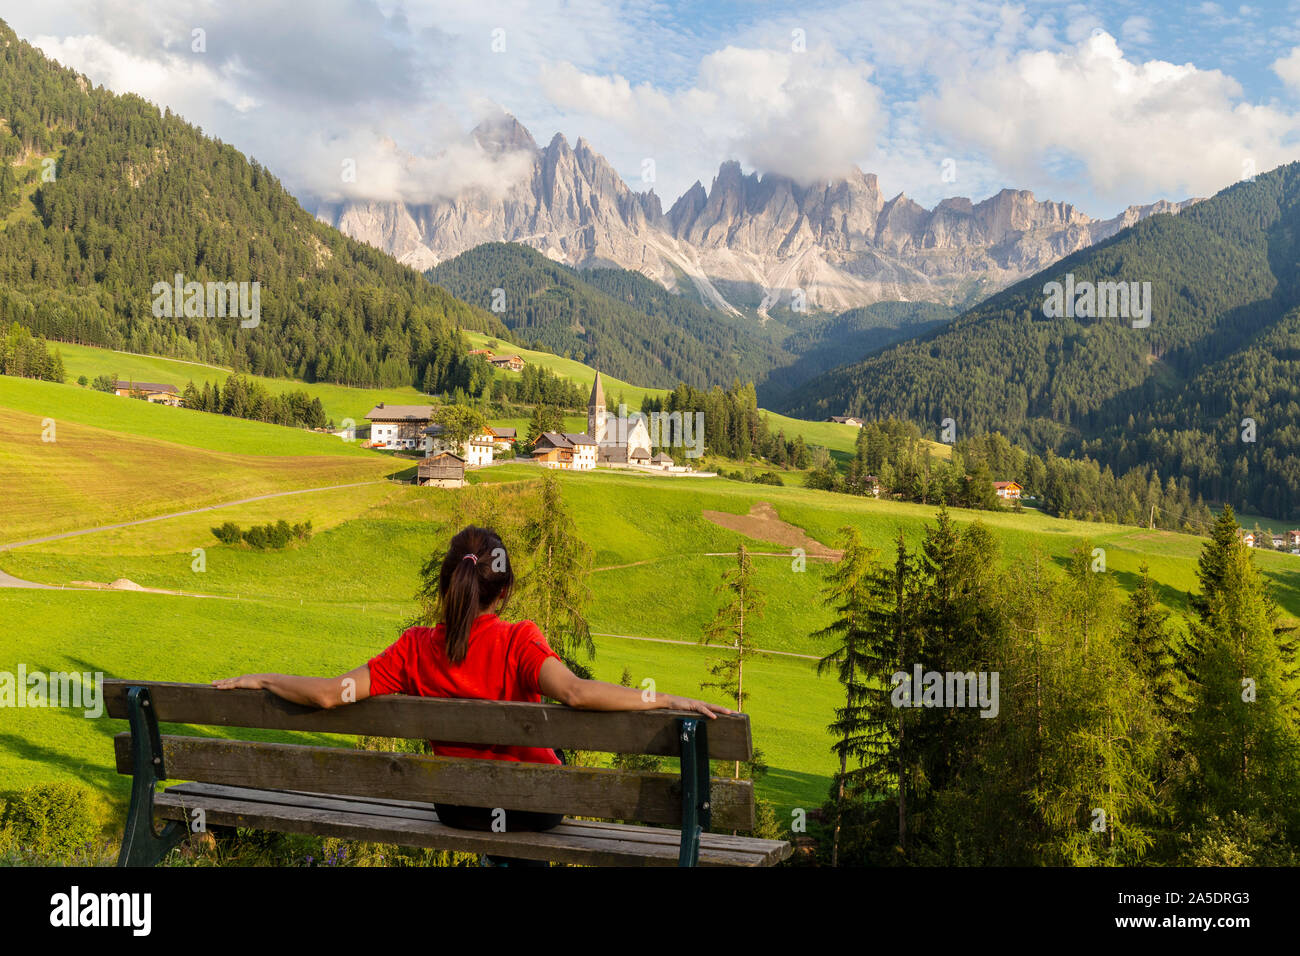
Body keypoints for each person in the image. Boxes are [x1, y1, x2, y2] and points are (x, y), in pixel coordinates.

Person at [214, 525, 734, 848]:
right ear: (503, 592)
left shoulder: (415, 648)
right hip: (537, 803)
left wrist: (262, 677)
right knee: (530, 814)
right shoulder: (519, 642)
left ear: (447, 586)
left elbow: (332, 695)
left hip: (457, 804)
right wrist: (662, 698)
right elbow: (576, 693)